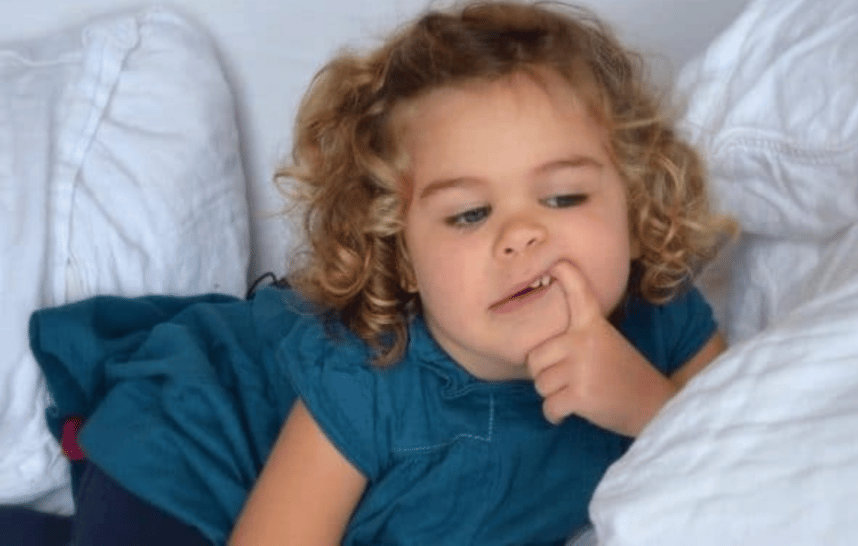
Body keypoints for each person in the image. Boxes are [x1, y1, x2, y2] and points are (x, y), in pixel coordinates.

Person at [26, 1, 732, 545]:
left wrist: (647, 406)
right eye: (469, 214)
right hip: (198, 442)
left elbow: (748, 459)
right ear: (401, 255)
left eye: (565, 197)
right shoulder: (367, 375)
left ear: (633, 202)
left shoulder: (661, 313)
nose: (521, 235)